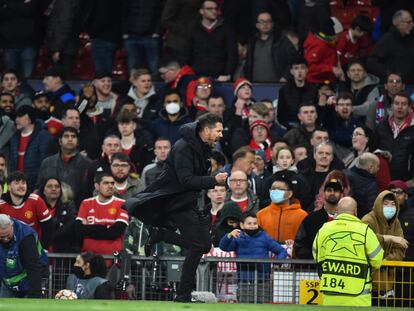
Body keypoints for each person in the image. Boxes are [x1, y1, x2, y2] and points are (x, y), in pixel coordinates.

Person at [126, 113, 228, 303]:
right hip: (175, 202)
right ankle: (183, 295)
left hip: (185, 202)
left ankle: (161, 235)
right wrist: (213, 180)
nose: (221, 135)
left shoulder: (201, 146)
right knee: (200, 246)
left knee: (203, 245)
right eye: (218, 130)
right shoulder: (184, 147)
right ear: (206, 130)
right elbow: (186, 180)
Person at [313, 197, 384, 306]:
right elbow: (377, 260)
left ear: (337, 210)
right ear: (355, 211)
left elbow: (316, 256)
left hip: (330, 297)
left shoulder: (324, 229)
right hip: (359, 299)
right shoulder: (365, 231)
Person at [219, 212, 288, 303]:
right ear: (242, 225)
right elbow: (223, 247)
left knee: (263, 307)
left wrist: (277, 263)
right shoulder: (238, 238)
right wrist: (229, 235)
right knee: (243, 307)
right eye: (249, 223)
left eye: (255, 223)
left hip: (263, 280)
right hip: (244, 280)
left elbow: (282, 251)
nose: (252, 226)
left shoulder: (264, 237)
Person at [362, 191, 408, 306]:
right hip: (367, 279)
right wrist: (388, 238)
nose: (390, 207)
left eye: (393, 204)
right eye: (386, 204)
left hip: (389, 279)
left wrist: (386, 262)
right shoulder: (368, 219)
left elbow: (400, 247)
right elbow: (363, 239)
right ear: (378, 205)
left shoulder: (396, 222)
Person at [37, 127, 94, 207]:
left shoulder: (88, 164)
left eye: (73, 136)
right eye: (66, 136)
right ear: (60, 141)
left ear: (77, 142)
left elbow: (91, 191)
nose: (70, 139)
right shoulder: (47, 163)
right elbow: (39, 188)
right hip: (50, 210)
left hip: (79, 210)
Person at [76, 173, 129, 255]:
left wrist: (89, 228)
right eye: (106, 183)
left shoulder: (122, 204)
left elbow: (116, 231)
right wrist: (106, 227)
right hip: (89, 257)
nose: (110, 186)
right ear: (97, 186)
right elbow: (79, 230)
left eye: (112, 183)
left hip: (112, 257)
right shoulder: (86, 203)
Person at [184, 0, 237, 81]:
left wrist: (228, 74)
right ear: (201, 11)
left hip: (220, 77)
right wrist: (188, 73)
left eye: (215, 9)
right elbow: (186, 53)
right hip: (197, 75)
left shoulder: (226, 28)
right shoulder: (194, 29)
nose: (214, 11)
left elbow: (232, 54)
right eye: (209, 9)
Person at [0, 171, 53, 249]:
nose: (21, 186)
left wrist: (44, 249)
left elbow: (48, 228)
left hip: (32, 248)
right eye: (17, 183)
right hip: (7, 249)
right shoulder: (1, 204)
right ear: (8, 187)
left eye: (23, 183)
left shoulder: (36, 200)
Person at [0, 214, 48, 298]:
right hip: (8, 281)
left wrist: (34, 295)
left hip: (30, 279)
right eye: (1, 237)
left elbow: (34, 267)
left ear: (12, 226)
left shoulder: (26, 237)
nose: (5, 239)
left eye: (7, 235)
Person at [295, 178, 344, 258]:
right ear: (323, 193)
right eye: (329, 190)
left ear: (342, 195)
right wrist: (317, 258)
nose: (332, 193)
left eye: (336, 191)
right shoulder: (310, 219)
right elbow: (299, 245)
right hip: (315, 267)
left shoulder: (347, 219)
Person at [9, 106, 52, 191]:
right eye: (16, 117)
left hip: (35, 187)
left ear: (29, 119)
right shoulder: (14, 138)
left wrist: (39, 186)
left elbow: (45, 164)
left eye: (20, 117)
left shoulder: (43, 136)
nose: (16, 120)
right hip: (17, 186)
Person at [366, 10, 414, 83]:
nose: (412, 24)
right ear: (399, 24)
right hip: (393, 87)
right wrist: (389, 73)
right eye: (409, 22)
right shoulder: (387, 40)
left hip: (409, 84)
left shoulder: (409, 39)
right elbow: (371, 62)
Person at [257, 176, 307, 244]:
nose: (275, 191)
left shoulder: (302, 215)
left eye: (280, 189)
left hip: (292, 254)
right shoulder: (260, 214)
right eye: (273, 189)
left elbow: (303, 241)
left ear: (290, 194)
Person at [376, 91, 414, 181]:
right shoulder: (381, 127)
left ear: (409, 108)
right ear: (392, 106)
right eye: (397, 103)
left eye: (403, 104)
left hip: (406, 182)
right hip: (381, 179)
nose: (400, 107)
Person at [38, 177, 78, 253]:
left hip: (62, 250)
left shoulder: (68, 206)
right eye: (49, 186)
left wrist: (49, 234)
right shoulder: (37, 206)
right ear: (43, 190)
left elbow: (70, 227)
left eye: (57, 186)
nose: (54, 189)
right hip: (40, 249)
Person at [277, 58, 318, 128]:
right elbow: (280, 114)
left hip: (310, 126)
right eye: (296, 68)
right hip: (290, 126)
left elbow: (317, 112)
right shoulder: (284, 90)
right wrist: (288, 127)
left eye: (302, 67)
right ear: (291, 71)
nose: (299, 71)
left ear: (307, 70)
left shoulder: (314, 89)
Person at [345, 152, 379, 218]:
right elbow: (371, 209)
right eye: (377, 166)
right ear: (371, 167)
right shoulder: (371, 185)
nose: (378, 169)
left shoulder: (343, 174)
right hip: (359, 222)